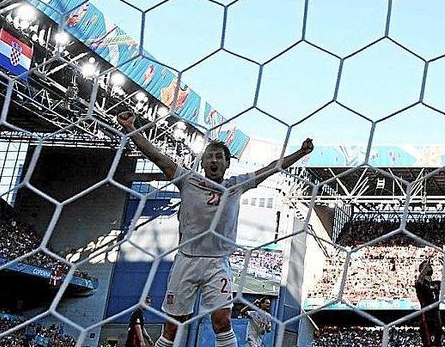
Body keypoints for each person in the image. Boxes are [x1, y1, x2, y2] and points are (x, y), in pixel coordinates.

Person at [117, 111, 313, 347]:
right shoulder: (186, 179)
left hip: (218, 263)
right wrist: (131, 128)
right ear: (202, 162)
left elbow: (272, 168)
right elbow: (158, 157)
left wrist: (300, 153)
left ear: (227, 163)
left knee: (222, 321)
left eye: (219, 157)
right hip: (186, 260)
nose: (214, 160)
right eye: (209, 156)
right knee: (173, 325)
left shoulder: (236, 186)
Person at [414, 256, 445, 347]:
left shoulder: (436, 284)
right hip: (426, 317)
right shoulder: (420, 284)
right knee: (428, 344)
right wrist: (426, 264)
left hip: (437, 316)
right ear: (422, 269)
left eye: (429, 265)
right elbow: (420, 279)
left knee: (437, 344)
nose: (430, 266)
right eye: (426, 266)